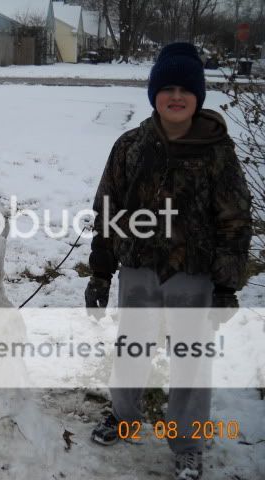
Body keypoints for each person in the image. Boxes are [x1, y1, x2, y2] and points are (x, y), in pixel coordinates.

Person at [85, 43, 251, 479]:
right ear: (154, 93)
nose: (175, 96)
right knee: (131, 347)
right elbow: (107, 208)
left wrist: (226, 287)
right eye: (167, 88)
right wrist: (101, 272)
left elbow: (234, 220)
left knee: (191, 359)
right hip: (138, 267)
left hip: (192, 274)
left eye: (185, 89)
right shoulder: (131, 146)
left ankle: (188, 443)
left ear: (198, 96)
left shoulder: (217, 150)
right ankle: (123, 414)